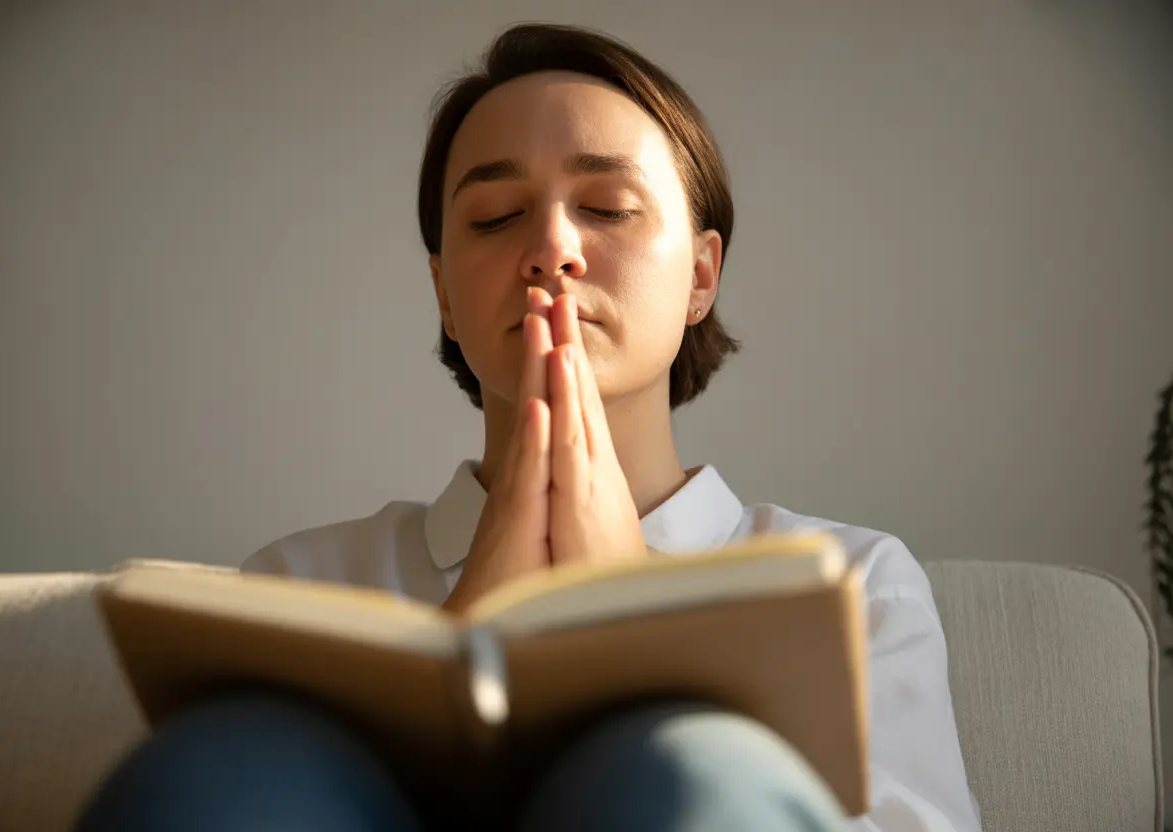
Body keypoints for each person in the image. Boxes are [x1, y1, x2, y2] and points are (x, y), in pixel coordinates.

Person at [74, 22, 982, 832]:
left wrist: (627, 622)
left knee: (693, 769)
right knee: (223, 766)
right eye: (497, 217)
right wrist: (459, 644)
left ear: (702, 275)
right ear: (444, 294)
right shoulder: (298, 588)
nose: (551, 246)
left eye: (608, 208)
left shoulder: (852, 587)